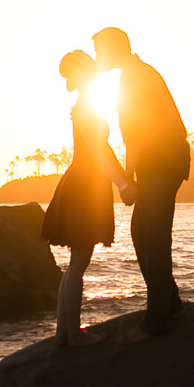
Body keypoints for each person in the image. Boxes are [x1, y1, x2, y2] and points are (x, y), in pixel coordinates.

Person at [93, 26, 190, 335]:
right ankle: (170, 302)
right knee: (141, 232)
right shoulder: (134, 73)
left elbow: (136, 134)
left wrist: (126, 179)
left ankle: (157, 318)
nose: (97, 58)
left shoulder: (136, 76)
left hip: (161, 164)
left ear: (113, 49)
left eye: (99, 52)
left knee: (155, 237)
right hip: (158, 164)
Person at [41, 49, 136, 346]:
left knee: (75, 264)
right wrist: (121, 182)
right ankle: (71, 334)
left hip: (82, 182)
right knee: (79, 263)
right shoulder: (87, 107)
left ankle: (62, 334)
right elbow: (99, 150)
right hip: (84, 186)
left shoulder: (85, 104)